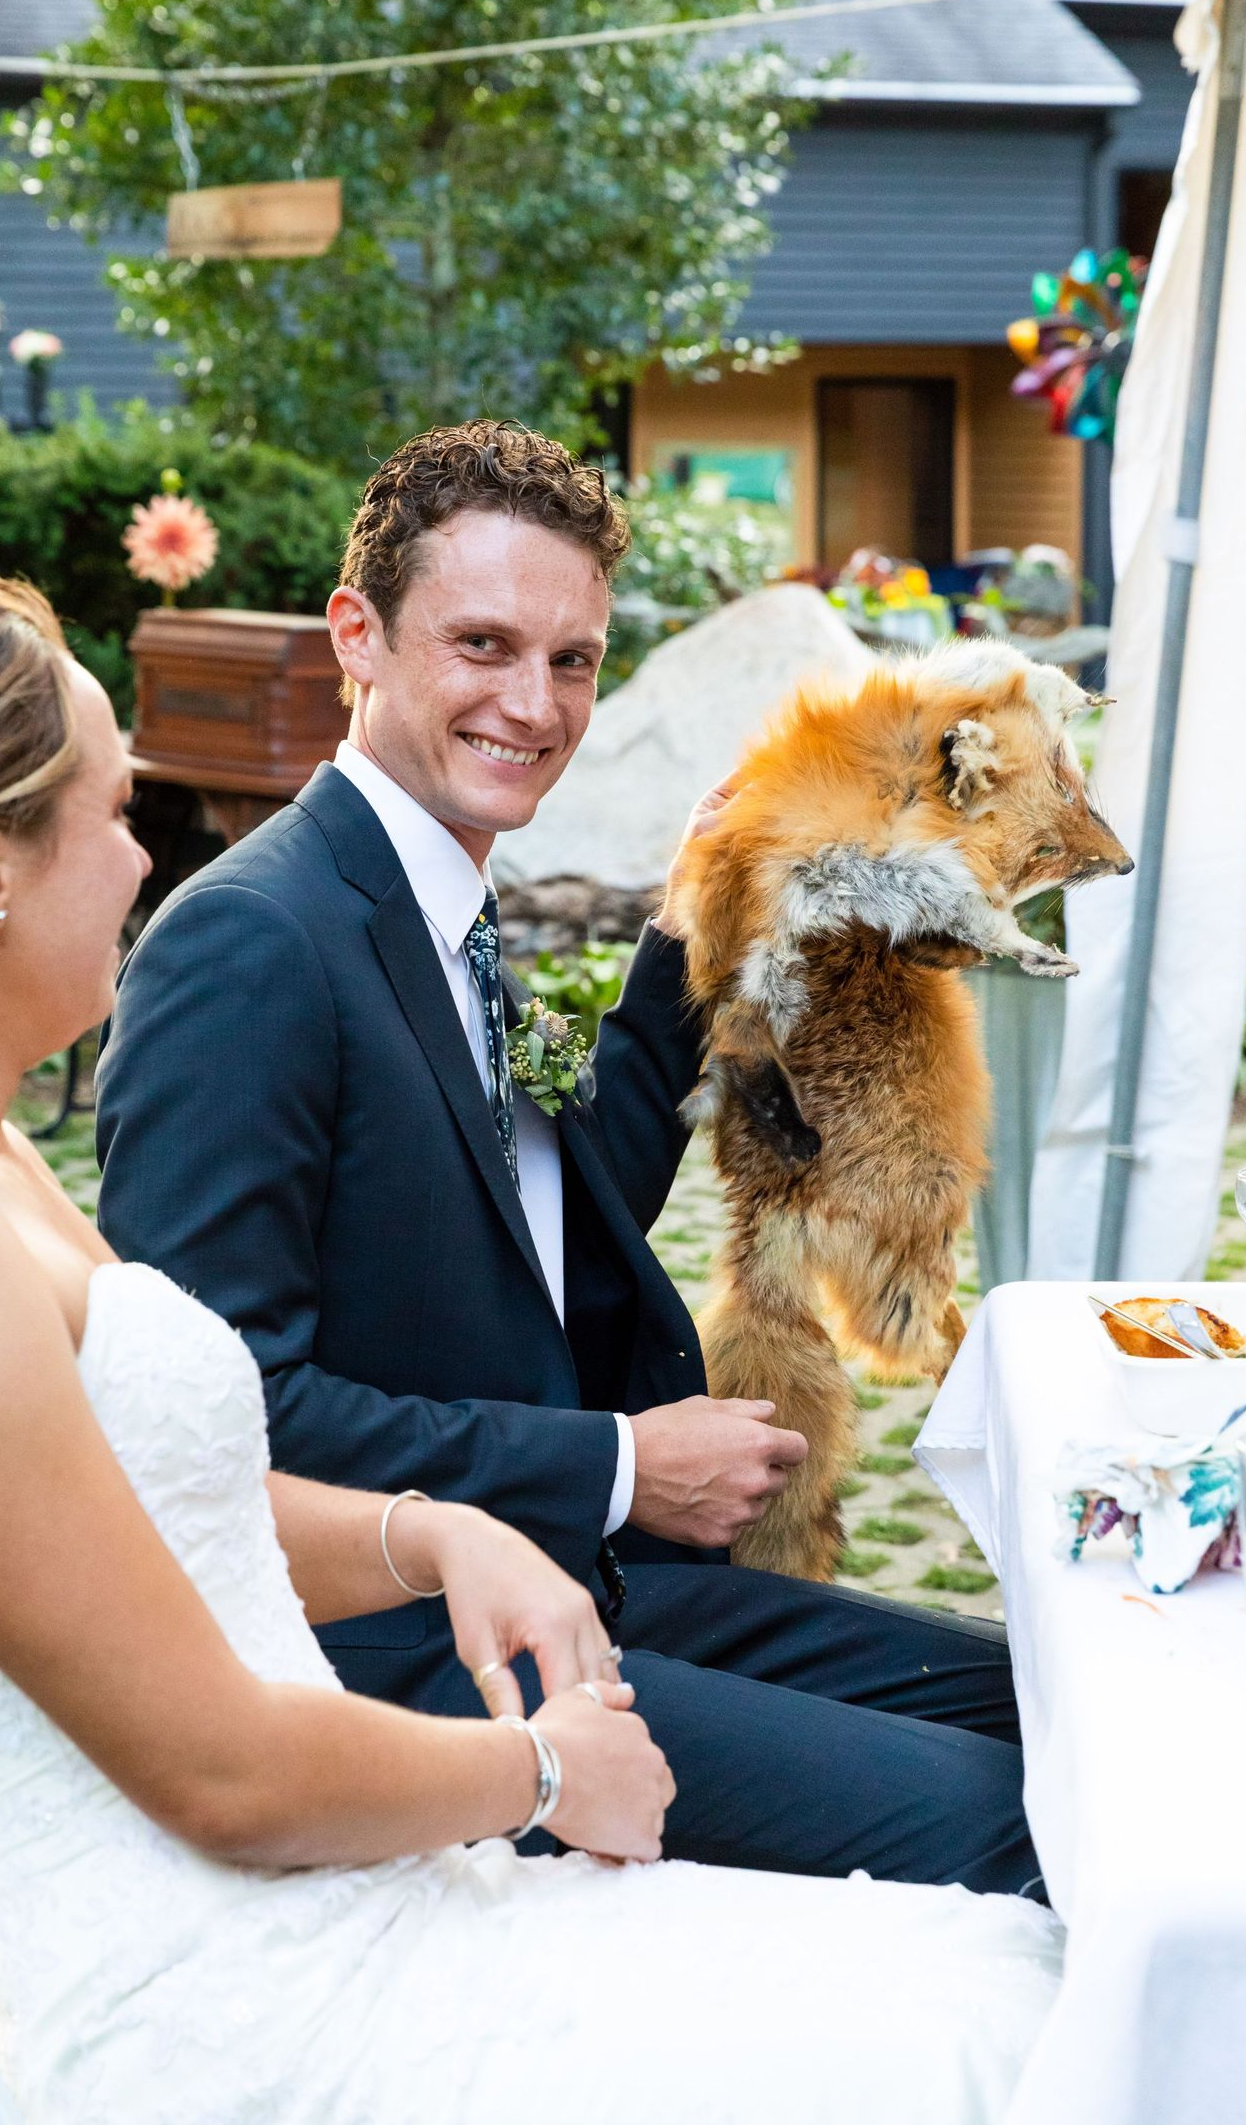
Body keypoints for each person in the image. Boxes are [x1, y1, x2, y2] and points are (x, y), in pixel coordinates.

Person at [0, 569, 1062, 2122]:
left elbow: (123, 1508)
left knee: (1019, 1884)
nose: (145, 859)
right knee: (998, 1996)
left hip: (338, 1867)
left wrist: (429, 1529)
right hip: (241, 1996)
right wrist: (536, 1771)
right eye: (117, 813)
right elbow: (224, 1776)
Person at [98, 419, 1038, 1890]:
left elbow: (535, 1208)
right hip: (413, 1661)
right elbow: (225, 1424)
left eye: (574, 660)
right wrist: (617, 1463)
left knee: (1058, 1714)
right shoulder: (249, 943)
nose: (534, 704)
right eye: (482, 644)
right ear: (359, 633)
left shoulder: (446, 906)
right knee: (1017, 1826)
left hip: (584, 1583)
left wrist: (680, 944)